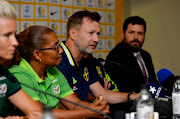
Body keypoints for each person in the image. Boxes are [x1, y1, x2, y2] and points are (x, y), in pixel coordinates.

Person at [9, 25, 109, 119]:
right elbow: (39, 112)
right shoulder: (19, 75)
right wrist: (88, 112)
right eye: (55, 47)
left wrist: (96, 108)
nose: (61, 50)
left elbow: (74, 104)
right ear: (37, 54)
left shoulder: (53, 71)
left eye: (60, 45)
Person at [56, 10, 138, 110]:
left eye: (97, 34)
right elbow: (60, 107)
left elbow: (102, 93)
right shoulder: (57, 60)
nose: (96, 39)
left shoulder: (85, 60)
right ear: (73, 34)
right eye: (91, 33)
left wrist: (133, 96)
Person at [104, 16, 159, 112]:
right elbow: (115, 91)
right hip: (127, 109)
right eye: (131, 32)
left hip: (150, 106)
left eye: (140, 33)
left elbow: (152, 82)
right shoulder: (115, 56)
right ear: (123, 34)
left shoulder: (146, 56)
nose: (136, 37)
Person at [0, 0, 42, 118]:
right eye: (7, 35)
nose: (15, 42)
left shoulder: (3, 72)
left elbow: (36, 112)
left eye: (14, 34)